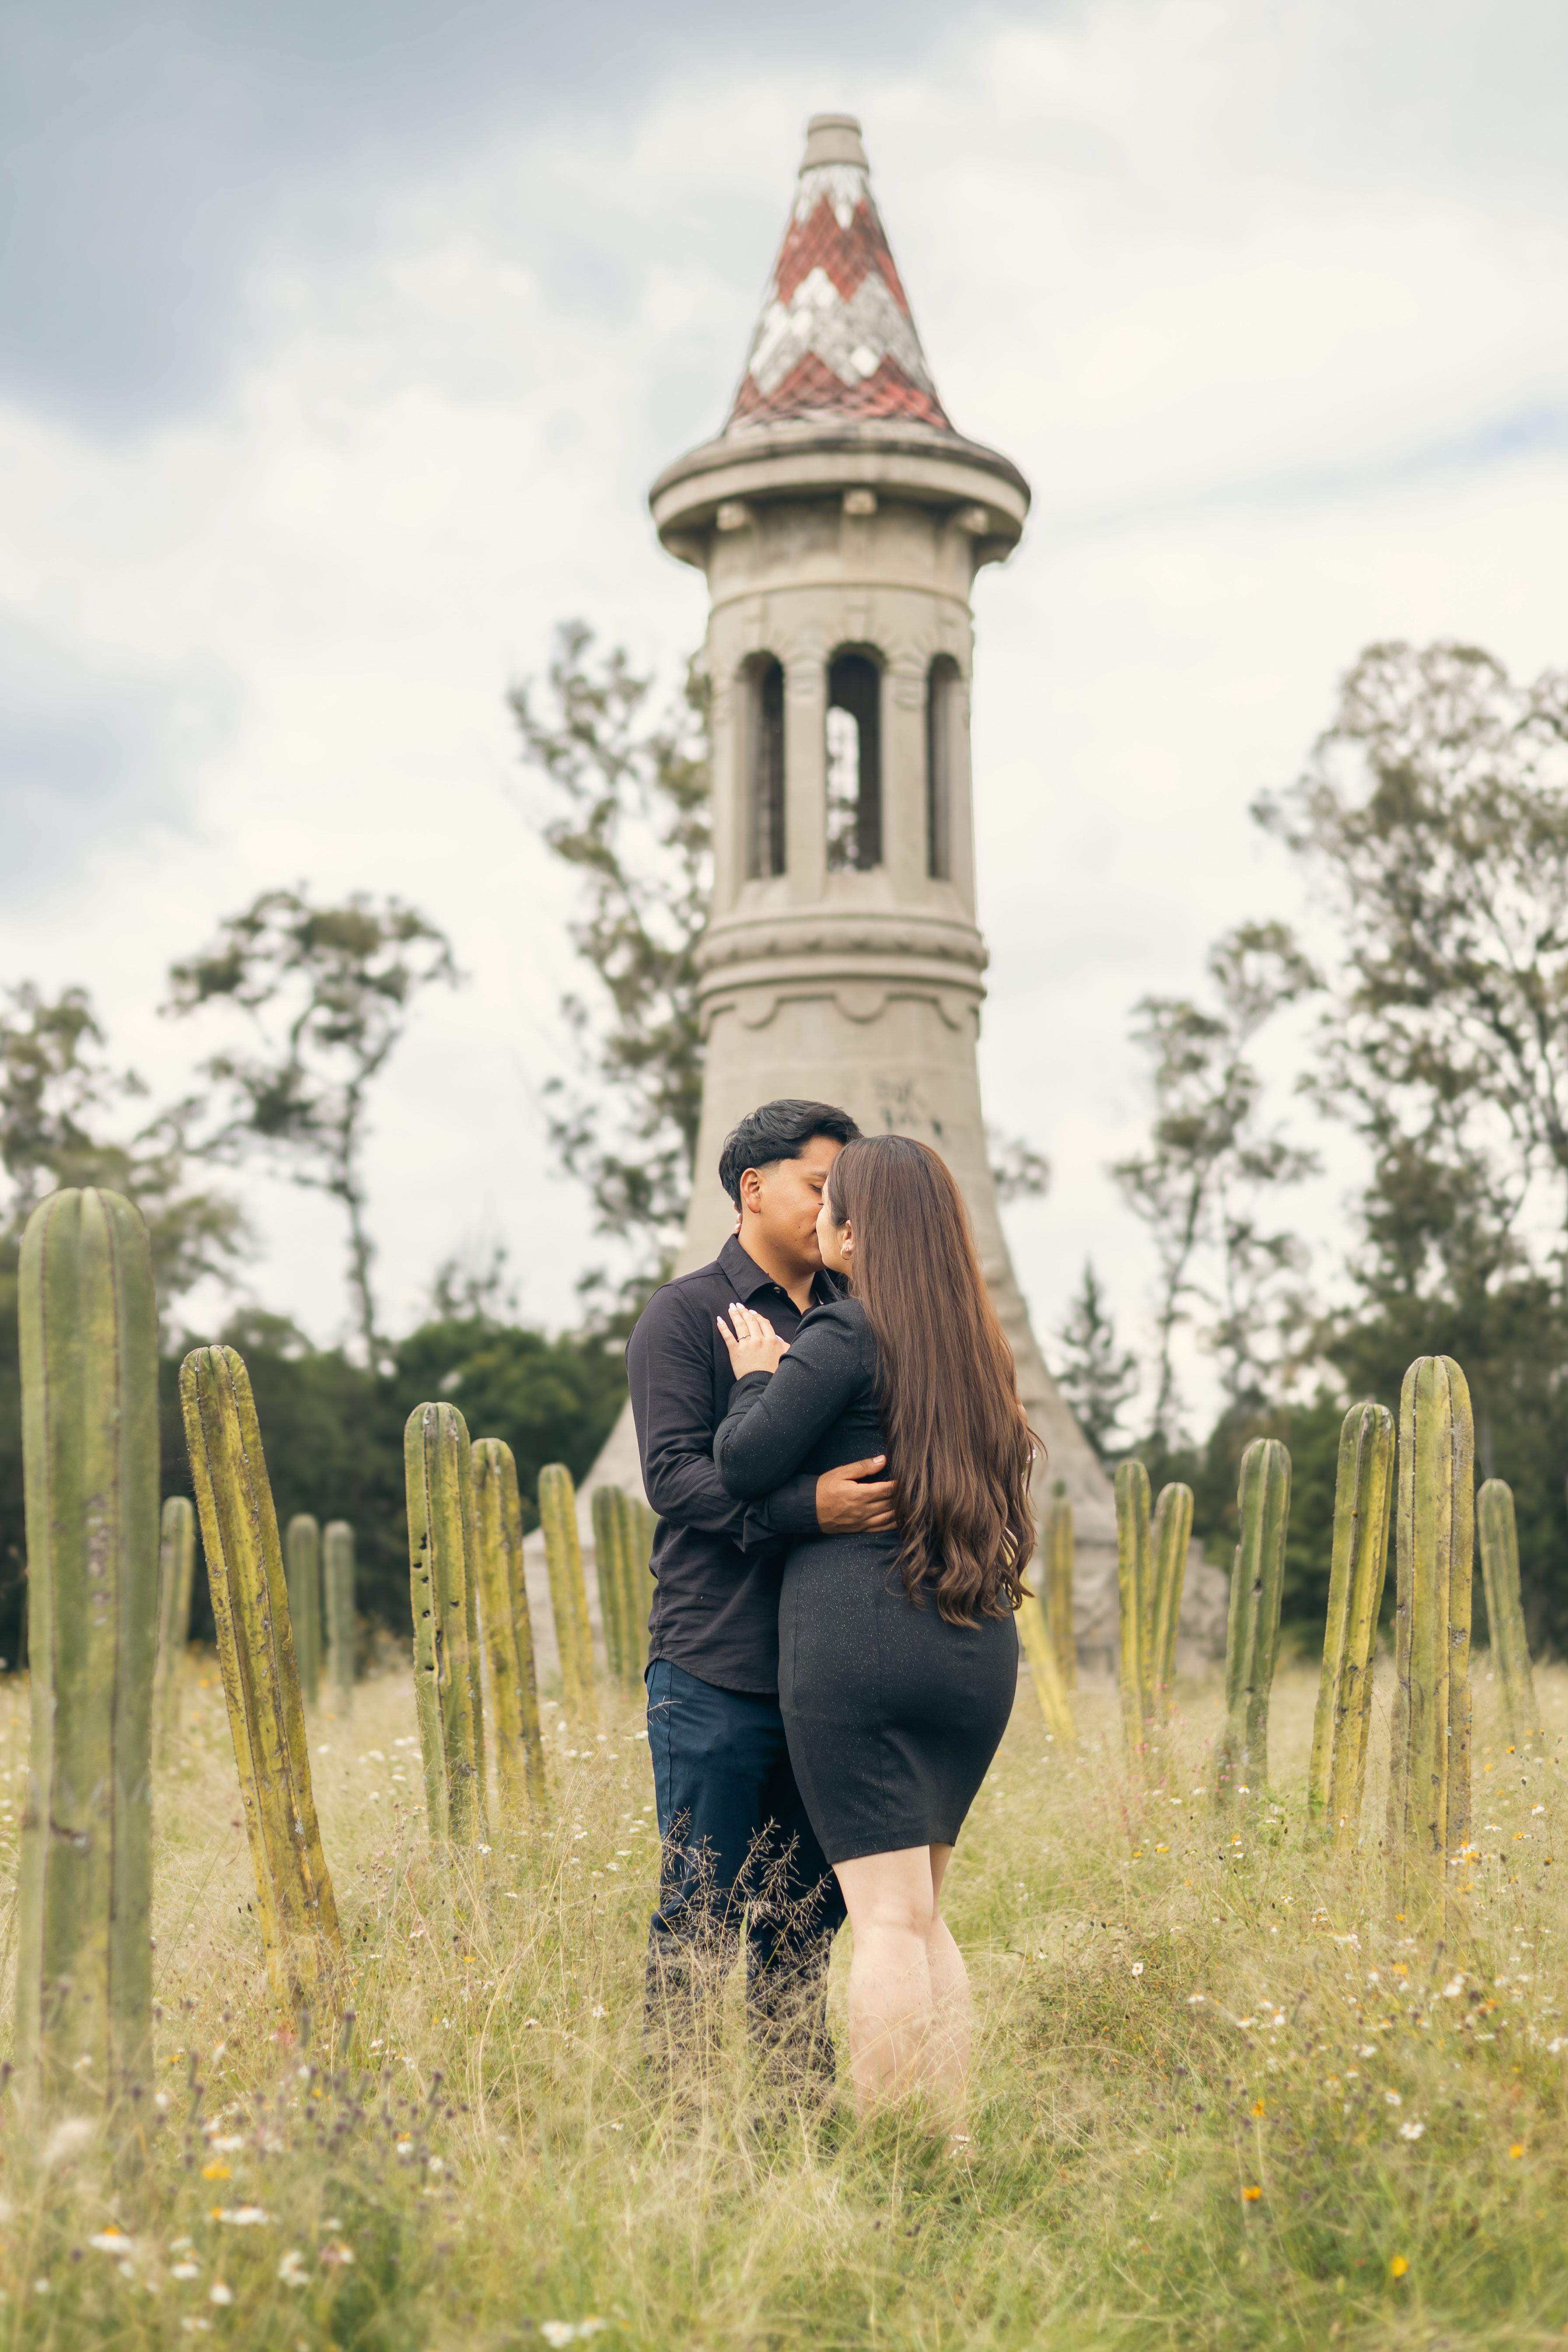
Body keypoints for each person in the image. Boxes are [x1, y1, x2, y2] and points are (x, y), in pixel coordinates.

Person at [712, 1132, 1035, 2137]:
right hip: (971, 1644)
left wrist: (761, 1375)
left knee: (884, 1919)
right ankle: (947, 2137)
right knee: (924, 1911)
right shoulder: (979, 1351)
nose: (819, 1222)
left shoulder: (844, 1336)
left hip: (860, 1637)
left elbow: (741, 1461)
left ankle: (897, 2151)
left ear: (857, 1229)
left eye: (831, 1207)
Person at [626, 1099, 899, 2090]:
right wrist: (807, 1509)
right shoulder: (685, 1311)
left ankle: (795, 2115)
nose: (837, 1207)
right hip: (718, 1661)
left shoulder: (858, 1316)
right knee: (698, 1903)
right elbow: (675, 1478)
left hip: (831, 1667)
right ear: (754, 1187)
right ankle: (680, 2125)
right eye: (821, 1186)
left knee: (806, 1911)